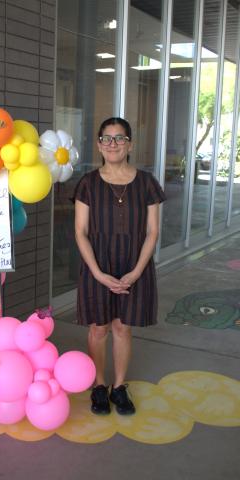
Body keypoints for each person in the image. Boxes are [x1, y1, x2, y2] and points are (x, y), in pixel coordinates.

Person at [73, 117, 165, 415]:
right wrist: (98, 273)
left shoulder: (147, 182)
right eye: (107, 138)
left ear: (130, 144)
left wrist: (137, 271)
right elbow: (80, 232)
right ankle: (99, 385)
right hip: (97, 264)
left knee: (122, 327)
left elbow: (152, 231)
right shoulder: (87, 184)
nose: (113, 144)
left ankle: (119, 386)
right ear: (99, 144)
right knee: (98, 328)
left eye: (120, 138)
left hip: (133, 264)